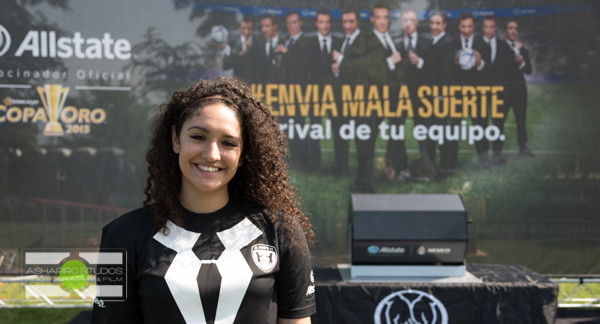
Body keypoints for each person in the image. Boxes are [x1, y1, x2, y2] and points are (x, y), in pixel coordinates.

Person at [92, 77, 316, 324]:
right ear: (176, 139)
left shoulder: (281, 230)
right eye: (198, 137)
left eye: (228, 143)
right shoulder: (121, 236)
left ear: (243, 155)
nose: (212, 154)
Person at [350, 2, 403, 193]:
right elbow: (363, 68)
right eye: (378, 17)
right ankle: (363, 180)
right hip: (370, 99)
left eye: (385, 17)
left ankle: (391, 172)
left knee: (394, 136)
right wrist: (390, 62)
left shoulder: (392, 38)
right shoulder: (364, 40)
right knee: (366, 139)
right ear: (372, 19)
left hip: (391, 98)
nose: (382, 22)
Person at [304, 9, 342, 172]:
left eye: (327, 22)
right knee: (315, 129)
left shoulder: (340, 42)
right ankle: (313, 163)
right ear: (316, 23)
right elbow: (309, 70)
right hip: (316, 94)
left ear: (331, 23)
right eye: (321, 22)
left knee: (339, 129)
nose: (324, 26)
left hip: (337, 95)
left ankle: (340, 165)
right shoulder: (309, 43)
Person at [329, 5, 364, 175]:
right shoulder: (345, 39)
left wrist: (341, 61)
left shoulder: (363, 40)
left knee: (360, 135)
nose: (348, 25)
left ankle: (362, 172)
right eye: (345, 21)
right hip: (342, 95)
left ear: (358, 21)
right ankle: (340, 166)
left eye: (351, 21)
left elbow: (361, 65)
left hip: (358, 97)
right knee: (340, 131)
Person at [452, 12, 488, 169]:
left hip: (476, 93)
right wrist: (453, 64)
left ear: (474, 27)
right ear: (459, 26)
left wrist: (480, 64)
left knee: (479, 126)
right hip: (457, 93)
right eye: (463, 26)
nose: (466, 30)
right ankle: (451, 162)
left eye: (469, 26)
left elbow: (490, 71)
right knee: (454, 127)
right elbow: (447, 71)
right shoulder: (452, 44)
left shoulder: (483, 44)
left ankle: (484, 162)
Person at [422, 11, 455, 177]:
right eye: (432, 23)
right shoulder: (431, 42)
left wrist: (441, 95)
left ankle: (446, 166)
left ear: (444, 25)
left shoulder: (448, 43)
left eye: (438, 23)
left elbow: (445, 72)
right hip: (429, 95)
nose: (434, 26)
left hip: (440, 96)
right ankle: (433, 166)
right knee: (431, 131)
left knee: (441, 131)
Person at [480, 15, 514, 166]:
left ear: (496, 28)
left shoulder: (504, 46)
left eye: (491, 27)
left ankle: (497, 156)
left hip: (499, 92)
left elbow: (509, 70)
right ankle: (483, 157)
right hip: (480, 92)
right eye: (486, 27)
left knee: (498, 124)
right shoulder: (475, 44)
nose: (488, 30)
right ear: (482, 28)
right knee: (480, 125)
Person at [503, 18, 534, 158]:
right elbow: (504, 67)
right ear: (505, 31)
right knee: (499, 121)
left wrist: (521, 62)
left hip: (520, 92)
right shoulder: (500, 48)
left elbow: (528, 70)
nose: (513, 31)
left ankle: (523, 148)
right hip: (503, 92)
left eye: (515, 28)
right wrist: (515, 51)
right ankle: (497, 152)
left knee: (521, 121)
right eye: (510, 28)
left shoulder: (524, 50)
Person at [249, 14, 285, 83]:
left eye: (267, 26)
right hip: (262, 89)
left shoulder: (285, 43)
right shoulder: (257, 46)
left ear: (275, 26)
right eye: (262, 26)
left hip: (282, 89)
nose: (263, 29)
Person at [223, 16, 255, 82]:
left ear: (253, 29)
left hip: (256, 83)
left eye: (249, 28)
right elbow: (225, 66)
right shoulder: (232, 44)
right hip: (238, 83)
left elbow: (264, 65)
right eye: (244, 28)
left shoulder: (259, 43)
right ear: (240, 28)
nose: (246, 31)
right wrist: (238, 56)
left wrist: (253, 49)